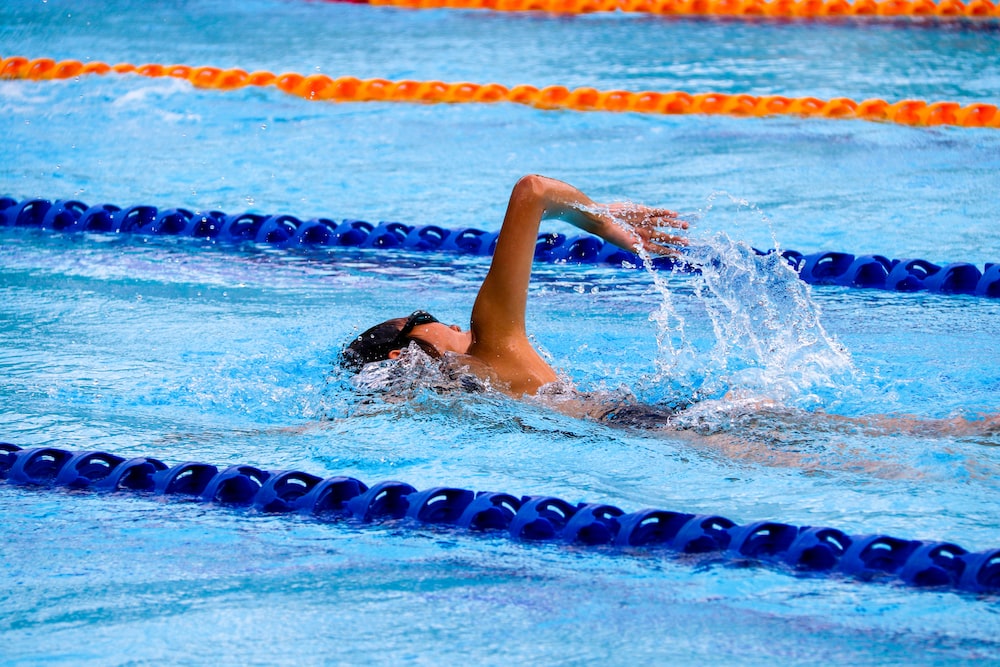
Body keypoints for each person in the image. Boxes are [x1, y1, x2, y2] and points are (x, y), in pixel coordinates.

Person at [340, 174, 689, 398]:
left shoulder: (466, 400)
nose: (455, 324)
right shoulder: (489, 341)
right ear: (403, 355)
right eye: (423, 317)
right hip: (650, 425)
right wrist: (603, 222)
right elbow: (533, 191)